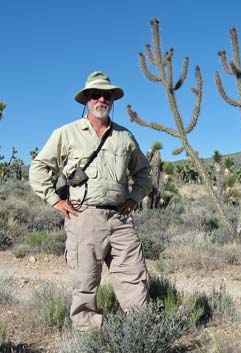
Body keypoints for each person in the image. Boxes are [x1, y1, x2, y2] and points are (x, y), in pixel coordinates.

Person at [29, 71, 152, 331]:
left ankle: (141, 335)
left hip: (120, 219)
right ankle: (89, 339)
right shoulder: (67, 133)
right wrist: (55, 200)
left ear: (112, 100)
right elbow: (39, 168)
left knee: (134, 278)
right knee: (85, 283)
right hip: (84, 218)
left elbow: (143, 172)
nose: (101, 99)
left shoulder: (125, 136)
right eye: (95, 94)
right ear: (86, 99)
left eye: (106, 95)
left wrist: (134, 198)